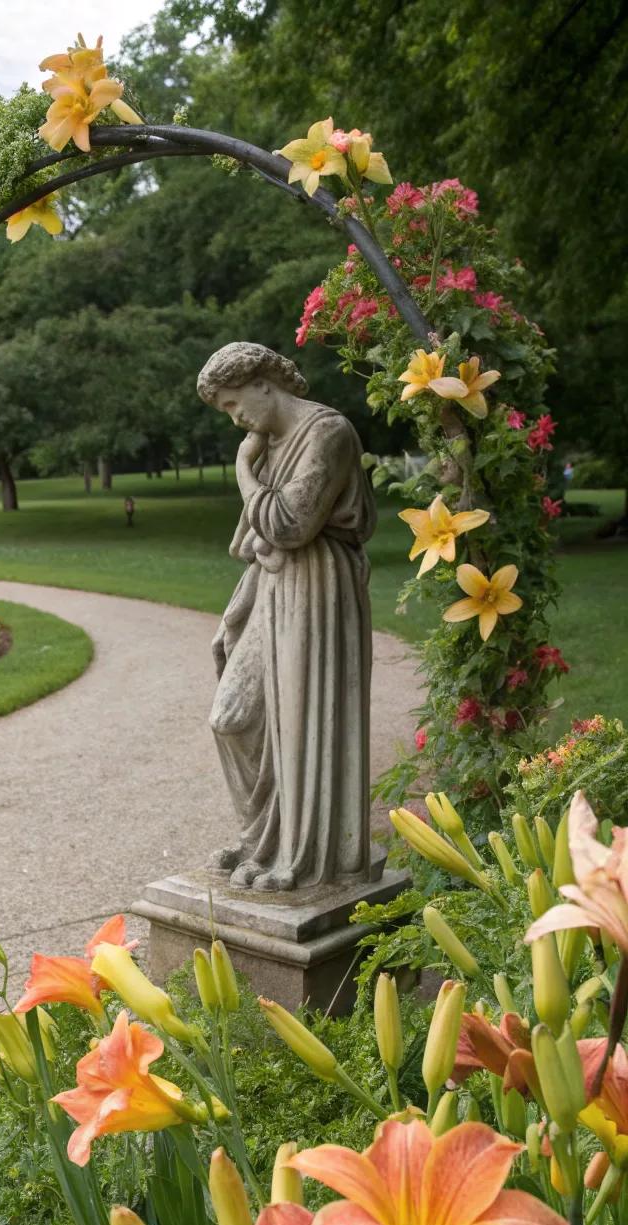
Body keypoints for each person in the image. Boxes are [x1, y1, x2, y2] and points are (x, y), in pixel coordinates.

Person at [197, 341, 376, 891]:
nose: (236, 419)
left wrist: (243, 473)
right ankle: (263, 838)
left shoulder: (328, 432)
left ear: (262, 382)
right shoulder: (271, 443)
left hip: (317, 586)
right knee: (231, 717)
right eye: (227, 411)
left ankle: (297, 855)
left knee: (302, 718)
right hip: (276, 585)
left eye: (234, 405)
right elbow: (252, 539)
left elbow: (290, 523)